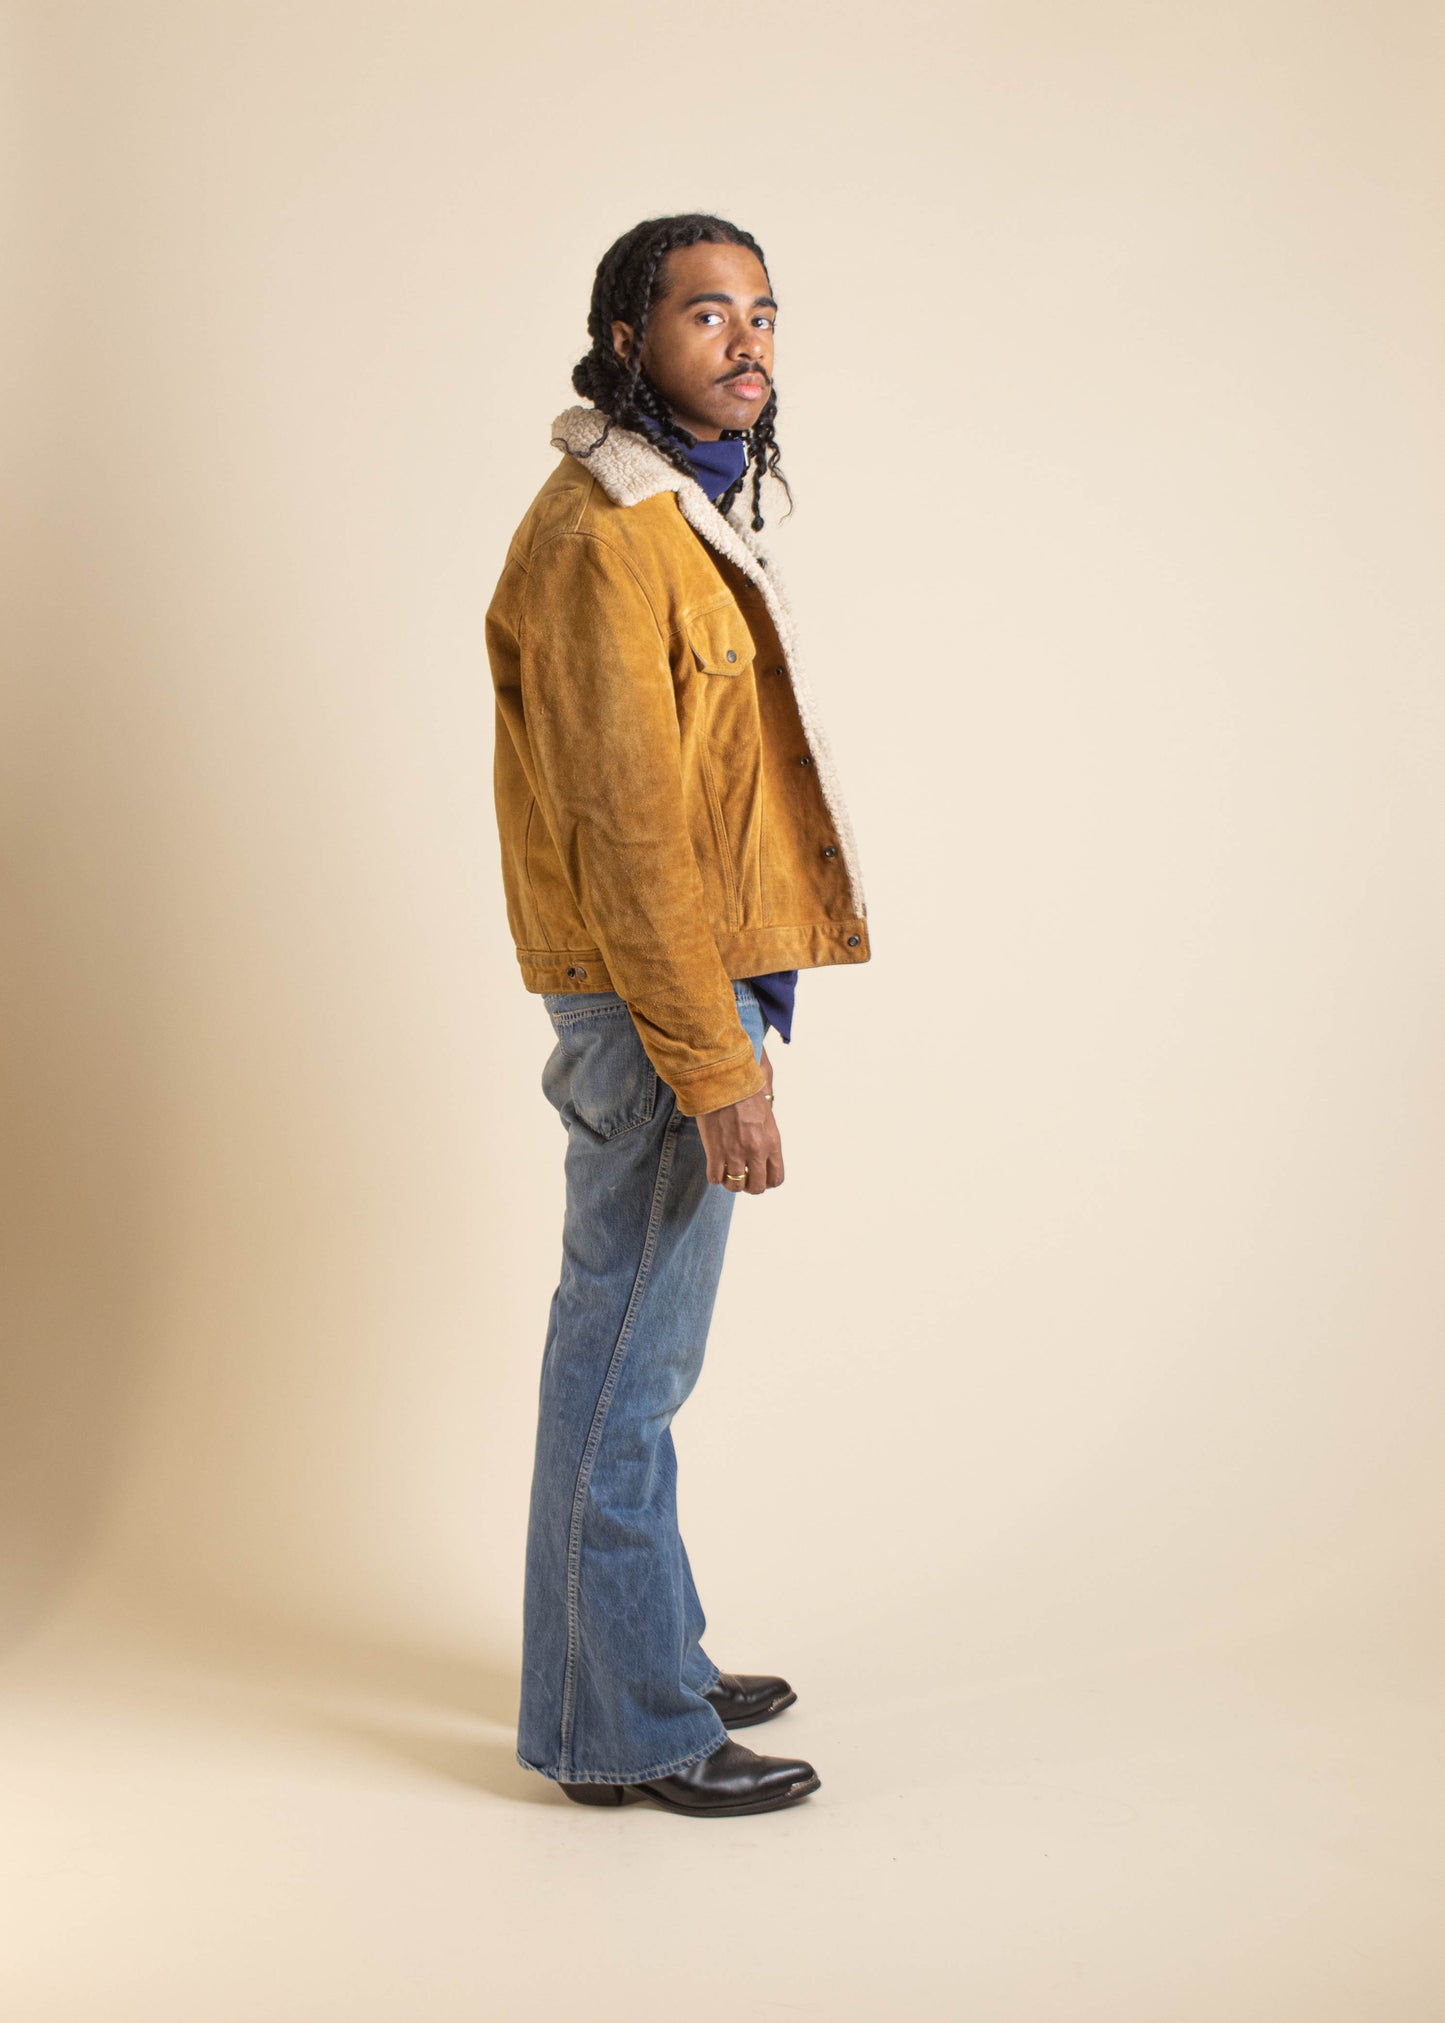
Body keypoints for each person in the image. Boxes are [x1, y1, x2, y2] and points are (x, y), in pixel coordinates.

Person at [485, 213, 870, 1817]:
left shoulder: (672, 515)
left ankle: (639, 1653)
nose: (746, 339)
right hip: (658, 1002)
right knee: (624, 1365)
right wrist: (714, 1064)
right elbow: (630, 833)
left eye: (761, 312)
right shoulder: (604, 536)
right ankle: (623, 1728)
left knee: (636, 1349)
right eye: (705, 313)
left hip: (680, 986)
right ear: (625, 338)